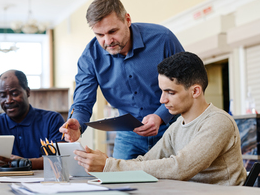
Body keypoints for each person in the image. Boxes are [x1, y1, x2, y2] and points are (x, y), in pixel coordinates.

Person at [71, 52, 247, 185]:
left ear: (195, 91)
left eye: (170, 92)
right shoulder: (177, 126)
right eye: (162, 91)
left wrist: (110, 166)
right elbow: (146, 162)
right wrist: (105, 165)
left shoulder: (218, 122)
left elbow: (180, 167)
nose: (162, 100)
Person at [60, 0, 184, 159]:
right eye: (99, 34)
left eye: (113, 31)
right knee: (120, 181)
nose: (107, 41)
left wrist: (160, 116)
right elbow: (82, 102)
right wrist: (76, 123)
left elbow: (185, 84)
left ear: (127, 19)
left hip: (172, 129)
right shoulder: (90, 57)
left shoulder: (163, 39)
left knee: (174, 181)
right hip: (128, 136)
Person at [0, 70, 65, 170]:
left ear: (27, 92)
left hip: (44, 183)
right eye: (3, 95)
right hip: (1, 183)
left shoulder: (52, 120)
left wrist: (23, 163)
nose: (8, 100)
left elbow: (60, 159)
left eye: (14, 94)